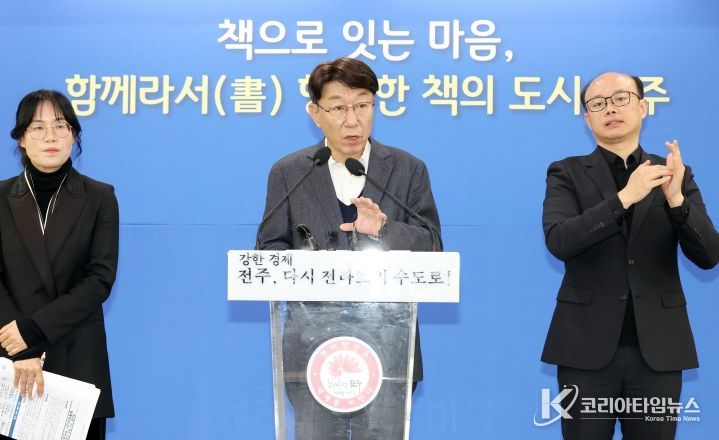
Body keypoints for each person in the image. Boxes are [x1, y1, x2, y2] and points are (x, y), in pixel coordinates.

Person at [256, 57, 442, 439]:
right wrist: (306, 265)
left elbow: (432, 247)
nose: (352, 120)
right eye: (338, 108)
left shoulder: (408, 170)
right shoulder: (290, 173)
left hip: (390, 344)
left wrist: (385, 230)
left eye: (362, 105)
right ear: (315, 113)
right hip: (312, 347)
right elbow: (268, 250)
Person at [541, 72, 719, 439]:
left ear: (643, 107)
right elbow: (559, 241)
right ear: (587, 119)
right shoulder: (566, 172)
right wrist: (625, 198)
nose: (610, 109)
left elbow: (709, 255)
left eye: (621, 98)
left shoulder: (673, 174)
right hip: (585, 350)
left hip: (659, 349)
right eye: (597, 104)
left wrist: (677, 201)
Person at [0, 90, 119, 440]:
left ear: (73, 135)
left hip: (76, 355)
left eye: (60, 126)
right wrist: (21, 347)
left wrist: (33, 331)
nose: (50, 136)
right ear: (21, 139)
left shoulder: (100, 197)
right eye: (38, 128)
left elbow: (99, 279)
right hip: (8, 354)